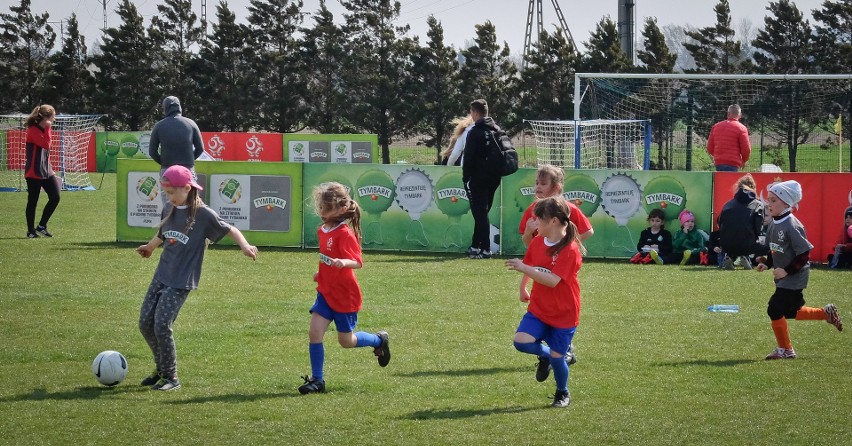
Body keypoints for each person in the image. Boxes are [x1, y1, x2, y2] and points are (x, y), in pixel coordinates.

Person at [135, 165, 258, 391]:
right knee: (145, 323)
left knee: (162, 324)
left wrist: (245, 245)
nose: (168, 197)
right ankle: (160, 368)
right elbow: (162, 234)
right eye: (166, 192)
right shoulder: (168, 209)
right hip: (162, 274)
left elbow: (230, 229)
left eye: (172, 192)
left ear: (188, 188)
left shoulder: (203, 214)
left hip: (182, 280)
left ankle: (171, 377)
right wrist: (151, 247)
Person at [298, 182, 391, 395]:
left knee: (346, 341)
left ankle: (379, 340)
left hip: (345, 296)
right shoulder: (322, 230)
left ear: (340, 210)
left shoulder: (345, 233)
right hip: (325, 293)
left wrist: (343, 262)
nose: (321, 212)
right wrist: (321, 274)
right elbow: (326, 260)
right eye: (320, 207)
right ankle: (317, 380)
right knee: (314, 333)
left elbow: (357, 262)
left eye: (325, 208)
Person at [505, 197, 584, 408]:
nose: (535, 222)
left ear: (555, 222)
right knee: (521, 342)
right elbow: (531, 263)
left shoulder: (570, 250)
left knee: (559, 360)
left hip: (564, 313)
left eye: (540, 218)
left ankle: (562, 392)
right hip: (539, 308)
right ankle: (550, 356)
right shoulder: (539, 241)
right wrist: (523, 286)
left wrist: (524, 269)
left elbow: (551, 281)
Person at [756, 180, 843, 360]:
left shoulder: (792, 225)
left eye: (773, 201)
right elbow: (775, 248)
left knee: (774, 308)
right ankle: (825, 313)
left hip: (795, 276)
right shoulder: (773, 222)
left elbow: (804, 255)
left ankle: (786, 350)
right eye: (769, 200)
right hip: (786, 276)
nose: (768, 204)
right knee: (789, 311)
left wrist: (786, 271)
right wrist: (767, 262)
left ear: (786, 203)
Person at [462, 99, 503, 259]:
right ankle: (475, 246)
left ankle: (485, 248)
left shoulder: (474, 132)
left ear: (475, 113)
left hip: (478, 178)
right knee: (482, 213)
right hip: (494, 178)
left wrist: (466, 178)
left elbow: (469, 158)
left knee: (480, 213)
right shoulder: (496, 130)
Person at [519, 165, 594, 248]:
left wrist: (566, 246)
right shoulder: (532, 210)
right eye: (537, 183)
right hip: (541, 260)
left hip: (563, 259)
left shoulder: (568, 208)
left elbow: (588, 231)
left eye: (543, 184)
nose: (538, 186)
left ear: (556, 187)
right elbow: (528, 243)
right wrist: (528, 233)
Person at [148, 96, 204, 204]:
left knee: (168, 205)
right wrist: (189, 160)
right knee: (191, 204)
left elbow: (152, 152)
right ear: (179, 107)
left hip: (167, 170)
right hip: (188, 169)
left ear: (165, 108)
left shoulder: (159, 126)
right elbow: (200, 148)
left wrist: (164, 162)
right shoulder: (191, 123)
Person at [23, 105, 60, 239]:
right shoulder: (33, 130)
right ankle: (30, 230)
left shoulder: (44, 129)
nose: (54, 119)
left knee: (55, 197)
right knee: (33, 201)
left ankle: (42, 226)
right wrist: (48, 128)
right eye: (53, 116)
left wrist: (47, 128)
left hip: (46, 170)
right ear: (46, 117)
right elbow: (46, 144)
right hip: (34, 171)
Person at [717, 174, 766, 270]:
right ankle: (746, 256)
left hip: (726, 244)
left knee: (734, 236)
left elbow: (719, 222)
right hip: (747, 243)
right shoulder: (758, 204)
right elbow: (758, 228)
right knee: (763, 239)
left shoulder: (728, 203)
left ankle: (730, 256)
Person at [706, 104, 751, 172]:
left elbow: (709, 148)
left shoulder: (715, 127)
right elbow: (746, 149)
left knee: (720, 182)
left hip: (719, 163)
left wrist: (718, 157)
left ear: (728, 114)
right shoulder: (742, 128)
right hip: (734, 164)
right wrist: (744, 160)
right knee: (731, 182)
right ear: (740, 115)